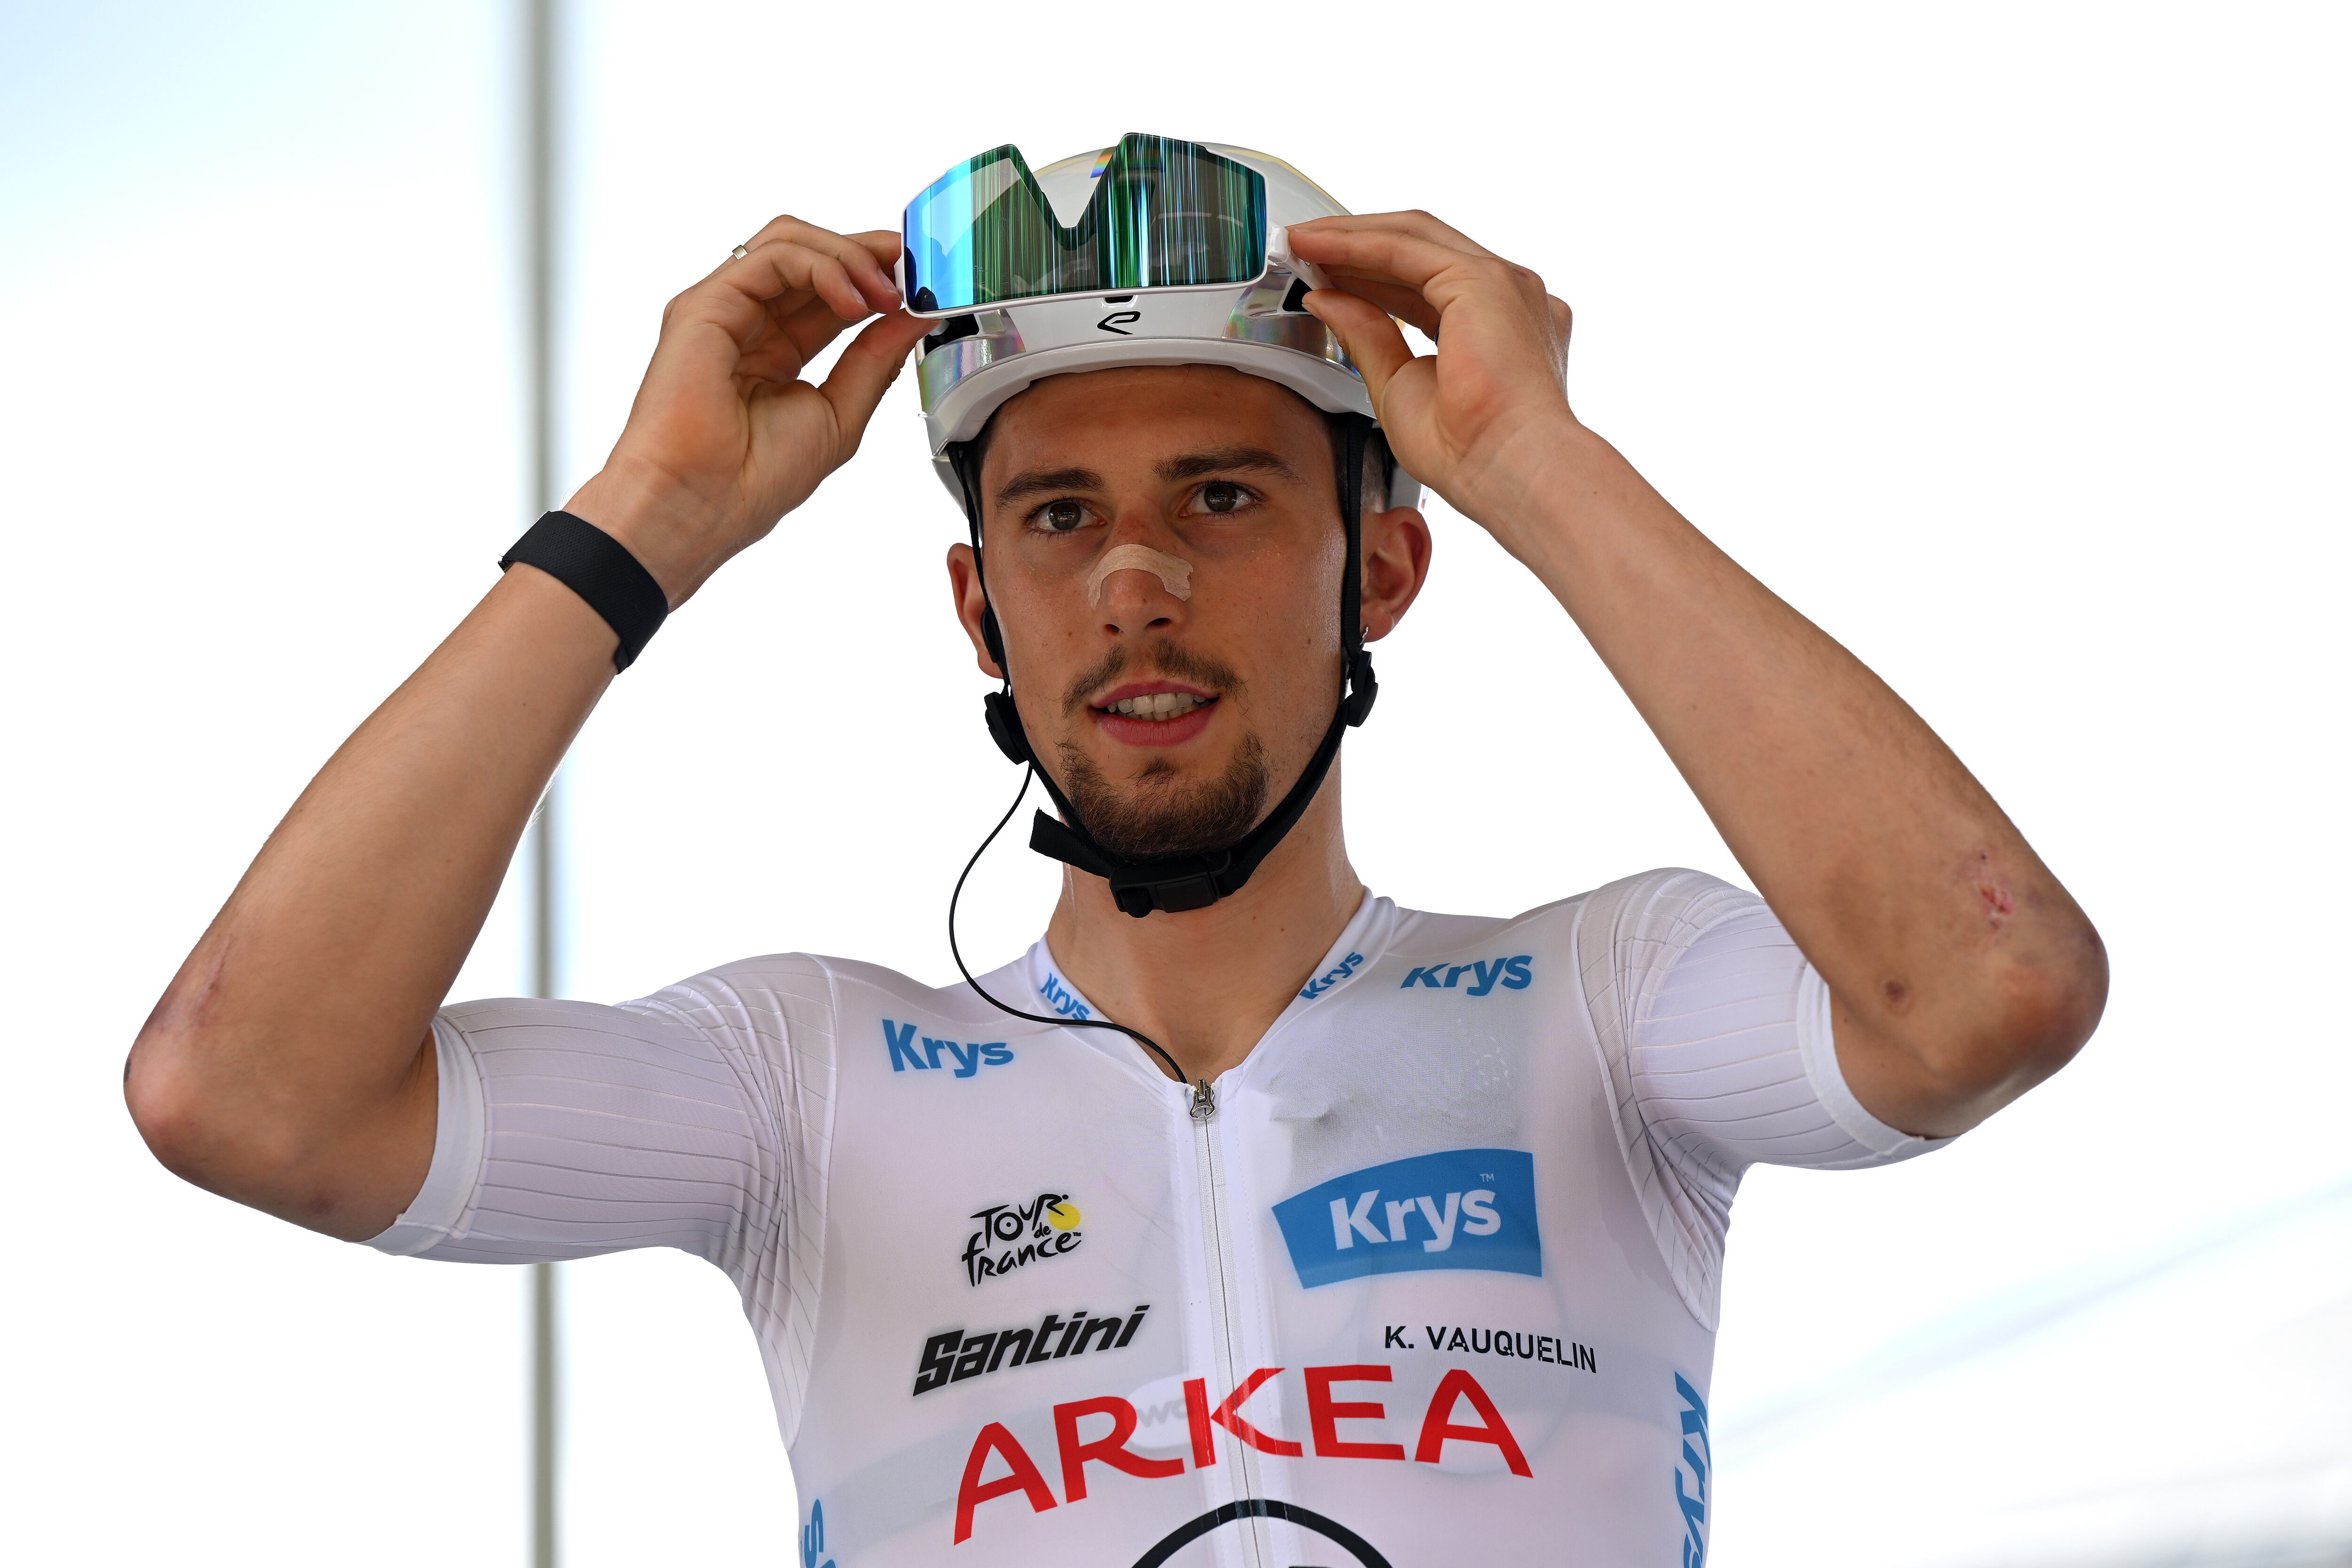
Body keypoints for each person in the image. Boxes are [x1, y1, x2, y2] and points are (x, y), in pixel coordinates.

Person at [127, 135, 2106, 1566]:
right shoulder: (804, 1084)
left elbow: (1991, 984)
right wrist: (647, 513)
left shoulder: (1604, 1005)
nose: (1135, 580)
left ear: (1382, 574)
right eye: (1057, 517)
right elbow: (243, 1092)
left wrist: (1536, 467)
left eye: (1222, 497)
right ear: (980, 613)